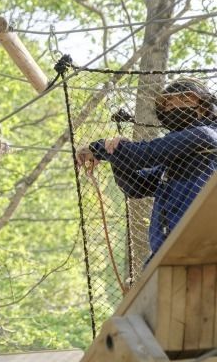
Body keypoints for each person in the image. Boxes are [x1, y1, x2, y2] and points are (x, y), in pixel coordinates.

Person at [76, 77, 217, 259]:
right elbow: (136, 186)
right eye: (164, 106)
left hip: (201, 245)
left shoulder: (206, 135)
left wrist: (100, 148)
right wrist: (116, 153)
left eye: (172, 103)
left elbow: (143, 155)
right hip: (168, 251)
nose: (168, 110)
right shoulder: (177, 161)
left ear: (197, 102)